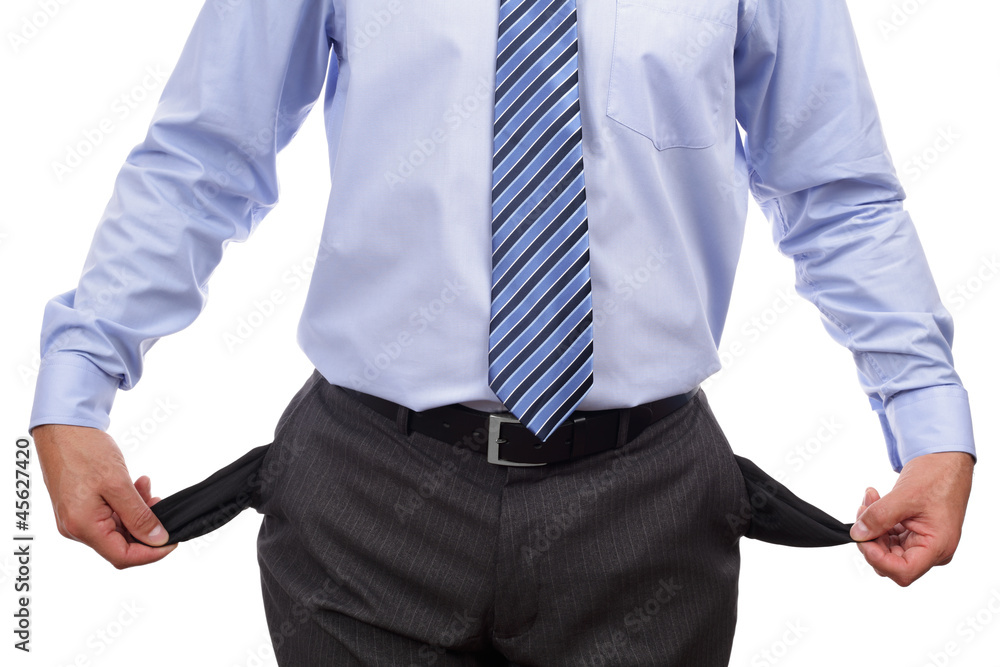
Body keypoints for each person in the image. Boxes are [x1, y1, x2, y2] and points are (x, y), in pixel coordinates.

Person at [30, 0, 976, 664]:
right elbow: (205, 157)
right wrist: (77, 382)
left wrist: (930, 420)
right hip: (366, 507)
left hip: (645, 513)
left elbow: (835, 193)